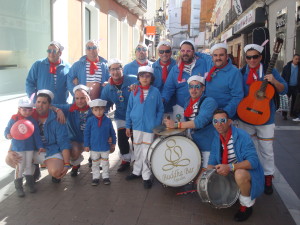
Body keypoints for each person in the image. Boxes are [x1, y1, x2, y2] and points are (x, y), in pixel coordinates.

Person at [238, 44, 288, 195]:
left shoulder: (269, 71)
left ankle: (267, 178)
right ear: (245, 58)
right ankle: (252, 175)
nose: (252, 60)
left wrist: (274, 81)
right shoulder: (241, 72)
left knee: (267, 151)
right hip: (246, 117)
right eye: (249, 57)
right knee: (249, 149)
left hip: (265, 118)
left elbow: (284, 89)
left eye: (255, 57)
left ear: (260, 57)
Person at [208, 109, 264, 222]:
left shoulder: (242, 136)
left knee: (239, 175)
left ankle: (246, 206)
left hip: (244, 171)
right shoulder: (216, 137)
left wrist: (230, 167)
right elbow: (212, 159)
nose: (219, 124)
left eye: (222, 120)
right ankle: (234, 193)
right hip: (228, 169)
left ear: (229, 122)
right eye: (215, 121)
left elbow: (253, 162)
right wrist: (206, 174)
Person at [164, 75, 218, 169]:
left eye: (197, 87)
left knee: (205, 175)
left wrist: (176, 125)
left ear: (203, 88)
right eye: (191, 87)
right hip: (193, 142)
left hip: (207, 143)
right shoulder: (188, 101)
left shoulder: (209, 102)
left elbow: (199, 122)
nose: (193, 90)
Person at [125, 66, 164, 189]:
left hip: (149, 127)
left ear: (151, 78)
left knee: (147, 150)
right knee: (137, 149)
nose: (145, 78)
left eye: (147, 76)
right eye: (142, 76)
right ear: (138, 78)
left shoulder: (155, 92)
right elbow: (129, 109)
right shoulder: (134, 91)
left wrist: (156, 125)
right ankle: (136, 171)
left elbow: (160, 110)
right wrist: (128, 126)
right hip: (136, 126)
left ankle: (146, 176)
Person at [101, 58, 137, 172]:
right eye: (113, 69)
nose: (115, 72)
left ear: (122, 69)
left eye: (118, 68)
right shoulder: (107, 88)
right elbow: (104, 105)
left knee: (136, 139)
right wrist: (103, 118)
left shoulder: (133, 79)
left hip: (136, 115)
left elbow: (144, 86)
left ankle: (138, 161)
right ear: (109, 71)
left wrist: (137, 87)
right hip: (121, 116)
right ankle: (125, 160)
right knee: (122, 139)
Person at [4, 97, 44, 197]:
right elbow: (7, 130)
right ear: (19, 108)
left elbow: (36, 135)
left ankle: (30, 183)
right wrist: (7, 135)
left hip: (29, 147)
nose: (27, 112)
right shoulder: (14, 119)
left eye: (30, 110)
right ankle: (18, 186)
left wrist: (39, 146)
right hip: (18, 148)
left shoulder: (33, 121)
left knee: (28, 165)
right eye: (24, 109)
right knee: (20, 166)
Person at [51, 84, 92, 177]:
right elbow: (50, 105)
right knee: (74, 151)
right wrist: (58, 110)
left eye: (82, 98)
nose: (79, 101)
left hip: (91, 139)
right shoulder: (70, 108)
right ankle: (76, 165)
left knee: (108, 145)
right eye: (77, 98)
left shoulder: (94, 108)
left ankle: (95, 159)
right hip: (76, 140)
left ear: (88, 97)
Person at [162, 40, 208, 121]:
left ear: (193, 52)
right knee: (180, 133)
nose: (185, 53)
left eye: (188, 51)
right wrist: (161, 101)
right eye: (182, 51)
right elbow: (168, 90)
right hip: (181, 108)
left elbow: (212, 59)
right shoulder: (175, 69)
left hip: (200, 108)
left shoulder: (203, 64)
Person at [204, 43, 244, 119]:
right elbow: (201, 55)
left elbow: (237, 96)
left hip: (224, 116)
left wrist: (225, 113)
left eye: (221, 55)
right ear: (212, 57)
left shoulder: (234, 72)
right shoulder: (211, 66)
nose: (218, 58)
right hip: (209, 113)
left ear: (227, 56)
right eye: (215, 55)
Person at [84, 99, 116, 186]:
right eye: (96, 110)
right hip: (94, 147)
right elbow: (86, 133)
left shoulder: (108, 120)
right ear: (92, 110)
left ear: (104, 109)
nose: (98, 112)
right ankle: (96, 177)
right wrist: (86, 145)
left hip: (105, 146)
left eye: (101, 109)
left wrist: (113, 143)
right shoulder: (90, 120)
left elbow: (112, 132)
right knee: (95, 163)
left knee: (105, 163)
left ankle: (106, 176)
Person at [152, 40, 177, 117]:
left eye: (167, 51)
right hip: (157, 107)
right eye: (161, 51)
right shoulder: (152, 67)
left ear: (171, 52)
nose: (164, 54)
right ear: (158, 53)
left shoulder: (178, 66)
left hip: (175, 106)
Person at [281, 54, 300, 120]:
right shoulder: (287, 67)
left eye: (298, 59)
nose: (297, 60)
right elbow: (282, 77)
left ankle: (293, 114)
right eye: (296, 59)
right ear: (293, 59)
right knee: (286, 100)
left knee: (295, 101)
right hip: (288, 86)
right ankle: (284, 114)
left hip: (296, 87)